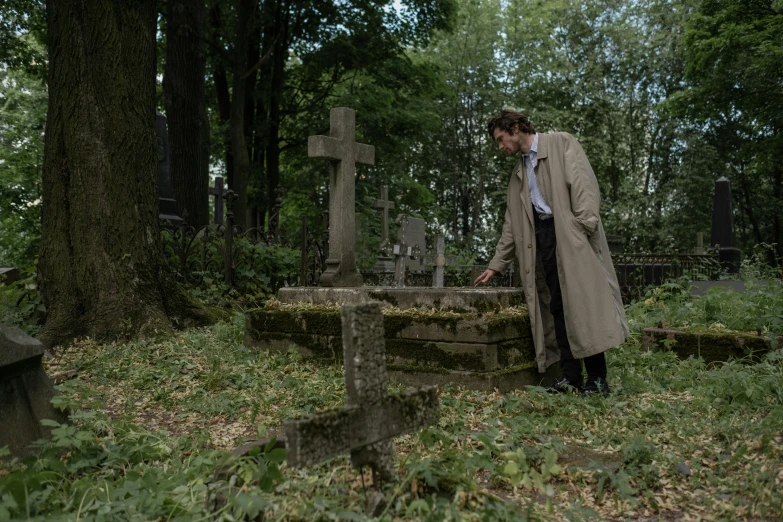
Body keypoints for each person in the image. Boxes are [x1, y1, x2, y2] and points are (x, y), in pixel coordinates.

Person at [473, 110, 629, 396]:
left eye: (500, 139)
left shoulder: (561, 143)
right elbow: (512, 223)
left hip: (570, 234)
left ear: (516, 128)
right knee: (555, 306)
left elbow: (583, 187)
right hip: (541, 240)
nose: (500, 147)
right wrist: (497, 264)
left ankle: (597, 380)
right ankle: (571, 378)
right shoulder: (518, 173)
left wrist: (580, 229)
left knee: (580, 305)